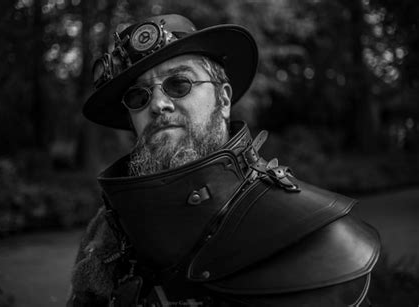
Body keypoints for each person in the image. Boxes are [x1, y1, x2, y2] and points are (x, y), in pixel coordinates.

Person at [68, 14, 380, 307]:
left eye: (179, 84)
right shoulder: (107, 231)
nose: (159, 103)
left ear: (224, 98)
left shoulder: (313, 232)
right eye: (139, 96)